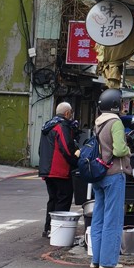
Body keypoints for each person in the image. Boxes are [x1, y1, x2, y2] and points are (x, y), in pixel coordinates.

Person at [89, 88, 132, 268]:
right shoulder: (116, 123)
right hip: (114, 174)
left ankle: (96, 260)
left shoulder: (98, 122)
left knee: (98, 218)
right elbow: (119, 151)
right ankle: (108, 262)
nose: (124, 105)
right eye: (122, 102)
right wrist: (129, 150)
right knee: (112, 219)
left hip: (99, 175)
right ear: (115, 105)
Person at [37, 101, 79, 238]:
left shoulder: (48, 125)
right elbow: (67, 149)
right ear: (67, 113)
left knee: (53, 199)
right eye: (71, 113)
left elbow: (40, 150)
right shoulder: (62, 126)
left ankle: (48, 228)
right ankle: (58, 230)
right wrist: (75, 161)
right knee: (64, 199)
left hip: (47, 170)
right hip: (60, 170)